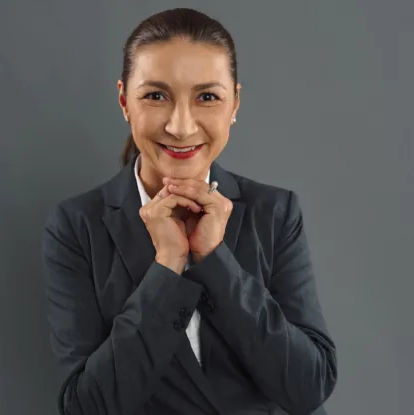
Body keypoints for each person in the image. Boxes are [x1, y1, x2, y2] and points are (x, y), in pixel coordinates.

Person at [41, 7, 337, 415]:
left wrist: (215, 260)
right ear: (125, 101)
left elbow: (309, 386)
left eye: (207, 97)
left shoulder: (275, 212)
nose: (181, 126)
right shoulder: (76, 226)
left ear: (235, 103)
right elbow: (87, 407)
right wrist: (167, 266)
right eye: (156, 96)